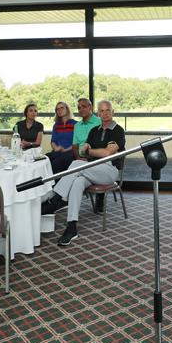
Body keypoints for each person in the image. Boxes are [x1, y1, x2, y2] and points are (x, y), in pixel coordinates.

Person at [41, 100, 125, 246]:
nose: (104, 113)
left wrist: (90, 150)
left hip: (109, 171)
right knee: (78, 181)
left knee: (76, 164)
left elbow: (107, 153)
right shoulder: (94, 131)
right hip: (90, 167)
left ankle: (55, 198)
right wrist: (85, 150)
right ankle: (72, 226)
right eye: (102, 111)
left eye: (107, 110)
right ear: (98, 113)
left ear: (113, 112)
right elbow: (82, 152)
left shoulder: (118, 130)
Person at [46, 101, 77, 174]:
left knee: (55, 164)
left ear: (67, 109)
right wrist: (56, 148)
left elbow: (76, 142)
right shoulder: (56, 125)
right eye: (57, 109)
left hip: (71, 151)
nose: (59, 110)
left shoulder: (75, 124)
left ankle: (55, 184)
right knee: (45, 159)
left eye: (62, 108)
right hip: (58, 151)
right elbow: (53, 141)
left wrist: (65, 150)